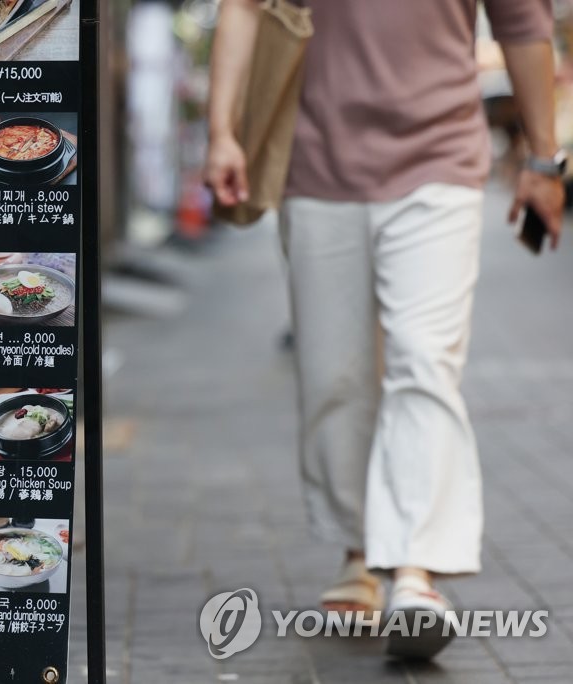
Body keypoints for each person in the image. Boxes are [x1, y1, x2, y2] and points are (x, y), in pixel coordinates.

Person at [206, 0, 565, 659]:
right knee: (334, 374)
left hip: (440, 162)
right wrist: (222, 131)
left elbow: (524, 25)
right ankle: (359, 547)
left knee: (425, 360)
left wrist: (544, 161)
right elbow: (245, 6)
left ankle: (416, 573)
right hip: (314, 165)